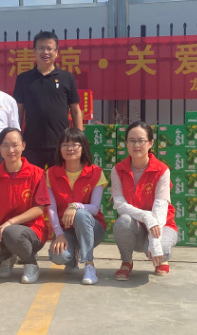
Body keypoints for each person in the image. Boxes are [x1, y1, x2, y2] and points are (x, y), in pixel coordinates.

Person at [0, 128, 50, 284]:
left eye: (15, 145)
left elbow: (39, 208)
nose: (11, 150)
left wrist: (10, 222)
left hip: (32, 231)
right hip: (2, 232)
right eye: (5, 145)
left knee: (11, 232)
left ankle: (31, 263)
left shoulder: (37, 173)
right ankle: (8, 256)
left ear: (23, 146)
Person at [111, 121, 178, 280]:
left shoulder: (162, 170)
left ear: (150, 143)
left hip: (161, 224)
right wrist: (146, 217)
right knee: (122, 222)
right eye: (131, 140)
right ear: (126, 143)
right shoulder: (118, 170)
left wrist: (154, 243)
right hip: (136, 226)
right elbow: (119, 205)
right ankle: (126, 262)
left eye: (141, 140)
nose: (136, 145)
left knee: (161, 251)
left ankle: (161, 260)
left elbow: (160, 207)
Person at [13, 31, 84, 169]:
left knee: (60, 180)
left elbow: (75, 111)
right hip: (31, 144)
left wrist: (79, 138)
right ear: (34, 51)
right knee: (31, 180)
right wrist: (17, 138)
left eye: (49, 48)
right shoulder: (23, 79)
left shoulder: (67, 78)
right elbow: (18, 112)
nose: (45, 52)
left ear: (56, 52)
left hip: (61, 144)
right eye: (41, 48)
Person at [46, 128, 107, 285]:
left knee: (80, 213)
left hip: (93, 228)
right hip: (67, 229)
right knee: (58, 256)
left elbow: (94, 208)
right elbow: (51, 208)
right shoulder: (50, 174)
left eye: (74, 144)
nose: (70, 148)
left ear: (83, 147)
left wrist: (75, 205)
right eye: (65, 145)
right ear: (59, 149)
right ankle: (72, 258)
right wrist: (59, 234)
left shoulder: (96, 172)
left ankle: (89, 265)